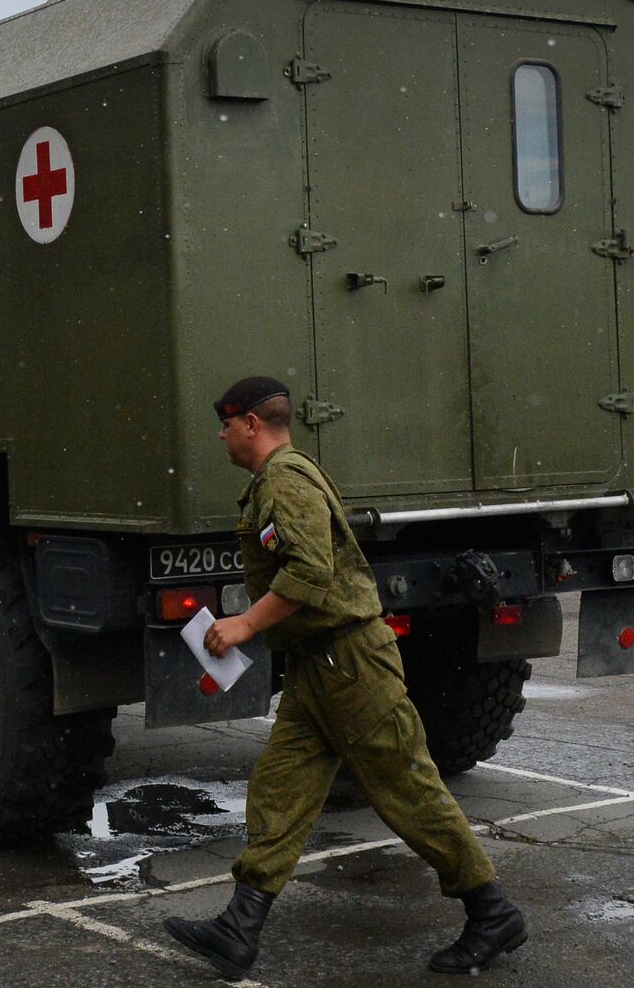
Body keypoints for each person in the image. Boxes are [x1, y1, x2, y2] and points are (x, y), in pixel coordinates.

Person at [163, 376, 526, 979]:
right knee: (281, 787)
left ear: (252, 423)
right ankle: (239, 926)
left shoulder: (286, 481)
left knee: (408, 791)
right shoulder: (279, 479)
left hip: (351, 664)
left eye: (226, 424)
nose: (221, 436)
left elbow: (311, 573)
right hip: (318, 667)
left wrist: (245, 625)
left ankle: (491, 910)